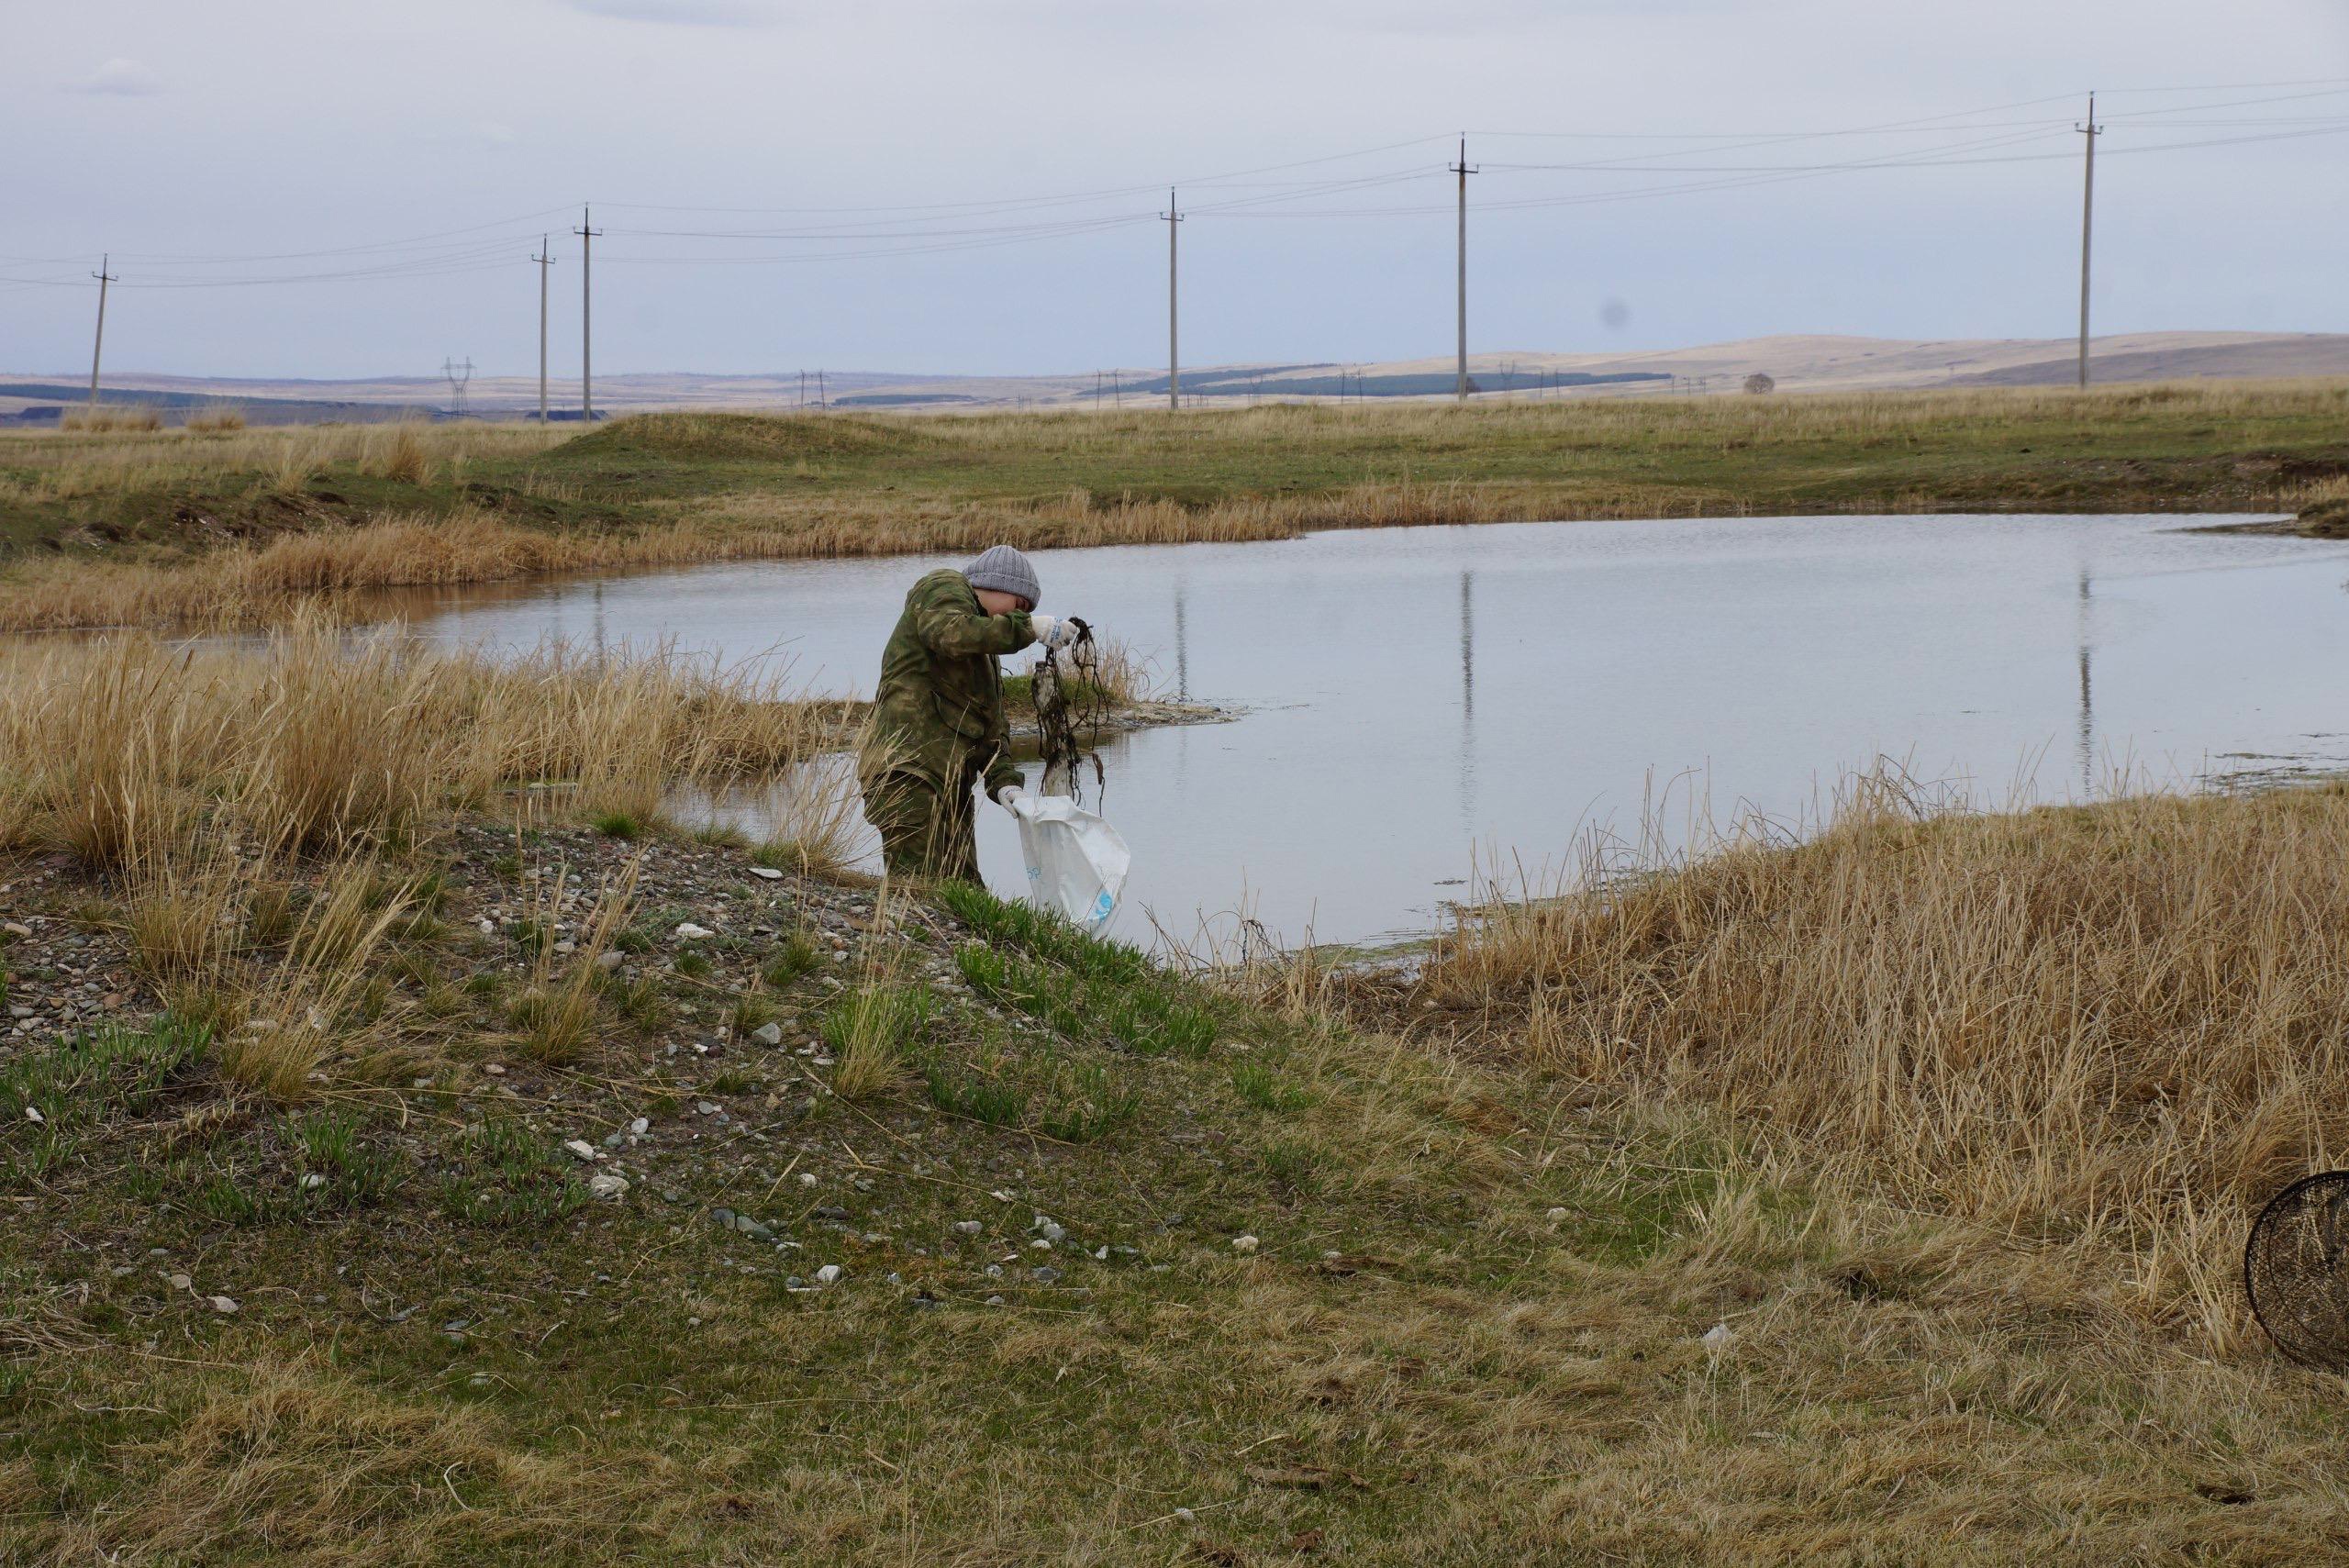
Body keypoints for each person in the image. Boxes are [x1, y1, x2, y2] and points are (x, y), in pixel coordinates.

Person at [858, 544, 1078, 883]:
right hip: (907, 774)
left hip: (950, 787)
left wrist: (1006, 785)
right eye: (1019, 606)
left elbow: (992, 728)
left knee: (964, 893)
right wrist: (1029, 628)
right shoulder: (943, 587)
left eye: (1025, 613)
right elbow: (949, 634)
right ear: (997, 585)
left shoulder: (985, 656)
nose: (1017, 616)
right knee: (918, 892)